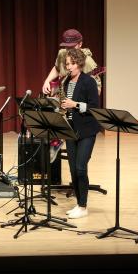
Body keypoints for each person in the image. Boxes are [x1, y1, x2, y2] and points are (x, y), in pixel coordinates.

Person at [60, 48, 100, 219]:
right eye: (66, 64)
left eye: (70, 64)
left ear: (79, 63)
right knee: (73, 169)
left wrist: (74, 105)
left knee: (80, 167)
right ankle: (79, 203)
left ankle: (83, 207)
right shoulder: (66, 82)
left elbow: (94, 108)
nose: (68, 67)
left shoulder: (88, 82)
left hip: (86, 130)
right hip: (70, 130)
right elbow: (66, 105)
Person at [42, 28, 102, 96]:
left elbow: (97, 91)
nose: (69, 50)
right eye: (67, 47)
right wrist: (47, 81)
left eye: (72, 47)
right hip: (61, 98)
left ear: (80, 44)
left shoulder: (87, 61)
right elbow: (57, 68)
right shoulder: (62, 54)